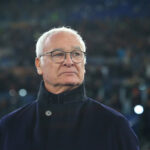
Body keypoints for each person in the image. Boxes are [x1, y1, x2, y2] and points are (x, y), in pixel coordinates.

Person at [0, 27, 139, 150]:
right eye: (58, 54)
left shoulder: (114, 126)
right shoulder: (10, 127)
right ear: (39, 64)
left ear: (84, 64)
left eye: (77, 54)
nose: (69, 61)